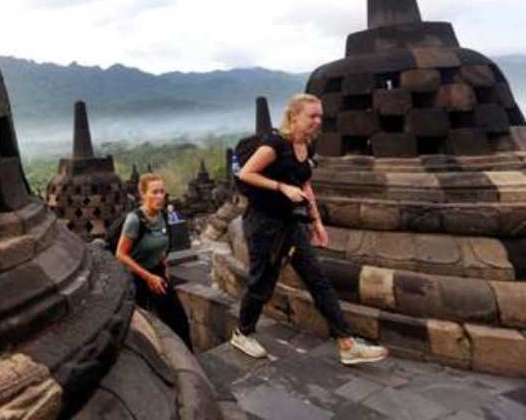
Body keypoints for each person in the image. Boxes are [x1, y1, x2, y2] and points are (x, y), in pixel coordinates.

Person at [231, 93, 389, 365]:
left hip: (291, 223)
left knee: (318, 280)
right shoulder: (275, 143)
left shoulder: (307, 146)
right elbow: (245, 173)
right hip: (264, 225)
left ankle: (347, 343)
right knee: (262, 283)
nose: (318, 121)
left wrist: (317, 222)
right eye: (312, 116)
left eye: (320, 116)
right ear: (294, 117)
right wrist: (281, 187)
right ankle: (242, 333)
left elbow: (305, 184)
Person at [116, 173, 194, 351]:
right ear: (143, 194)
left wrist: (163, 265)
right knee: (144, 326)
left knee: (178, 319)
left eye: (162, 192)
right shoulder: (134, 220)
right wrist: (148, 277)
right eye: (154, 192)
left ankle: (190, 358)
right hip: (136, 277)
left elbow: (160, 244)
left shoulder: (163, 216)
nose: (160, 197)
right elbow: (121, 254)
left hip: (157, 273)